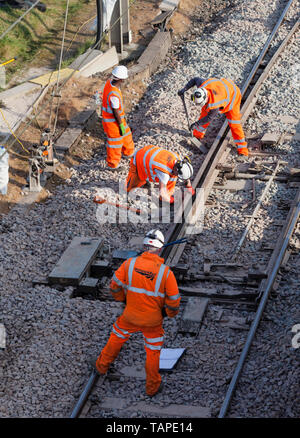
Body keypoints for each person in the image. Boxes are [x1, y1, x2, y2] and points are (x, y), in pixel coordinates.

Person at [93, 229, 181, 397]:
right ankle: (152, 387)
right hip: (152, 322)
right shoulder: (165, 273)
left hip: (130, 316)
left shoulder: (130, 264)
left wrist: (122, 300)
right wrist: (168, 314)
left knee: (116, 336)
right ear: (160, 249)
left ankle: (101, 366)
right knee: (153, 352)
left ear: (144, 245)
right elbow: (174, 301)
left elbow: (114, 285)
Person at [178, 77, 249, 156]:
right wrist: (184, 89)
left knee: (234, 124)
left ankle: (243, 150)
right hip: (224, 86)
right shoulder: (203, 85)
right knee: (204, 113)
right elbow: (194, 79)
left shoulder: (215, 104)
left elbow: (209, 118)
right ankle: (197, 135)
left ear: (205, 99)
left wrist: (196, 124)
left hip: (233, 97)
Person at [125, 145, 194, 204]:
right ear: (176, 170)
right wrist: (171, 200)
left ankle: (166, 195)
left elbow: (184, 174)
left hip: (151, 152)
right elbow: (162, 192)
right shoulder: (164, 173)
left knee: (173, 177)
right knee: (131, 187)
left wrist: (189, 187)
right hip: (139, 158)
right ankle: (132, 187)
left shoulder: (178, 160)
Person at [101, 65, 135, 169]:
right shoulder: (114, 94)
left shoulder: (109, 84)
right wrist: (120, 124)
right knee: (115, 143)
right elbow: (115, 111)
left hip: (118, 119)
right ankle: (113, 164)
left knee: (126, 134)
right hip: (112, 122)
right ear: (121, 78)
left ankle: (128, 153)